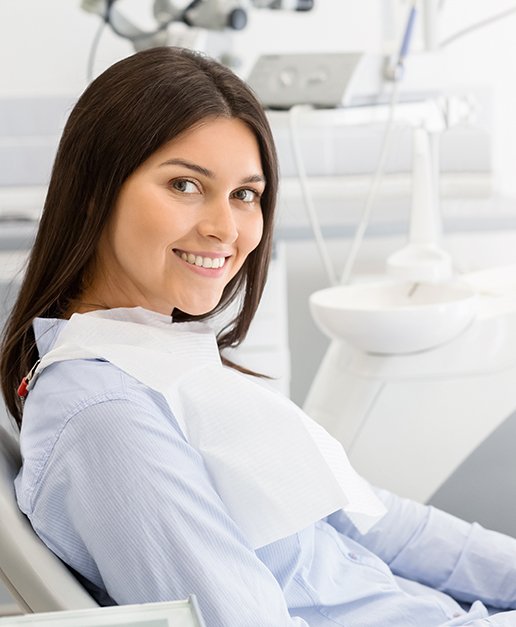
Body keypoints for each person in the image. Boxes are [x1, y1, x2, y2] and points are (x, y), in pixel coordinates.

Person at [1, 46, 516, 627]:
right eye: (185, 185)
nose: (226, 228)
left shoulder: (153, 355)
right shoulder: (106, 415)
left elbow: (376, 523)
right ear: (95, 190)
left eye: (245, 194)